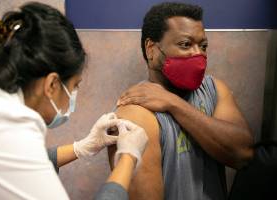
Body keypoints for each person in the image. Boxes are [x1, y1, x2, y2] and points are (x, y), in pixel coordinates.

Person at [0, 2, 148, 200]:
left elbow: (17, 163)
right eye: (75, 86)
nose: (73, 95)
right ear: (52, 85)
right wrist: (128, 157)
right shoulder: (4, 122)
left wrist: (83, 147)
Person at [109, 2, 254, 200]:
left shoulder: (213, 88)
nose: (198, 54)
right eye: (185, 44)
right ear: (151, 49)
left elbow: (243, 154)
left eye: (203, 46)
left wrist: (173, 103)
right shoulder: (135, 113)